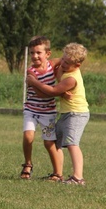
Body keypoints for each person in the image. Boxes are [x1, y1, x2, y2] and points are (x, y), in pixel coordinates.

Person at [27, 43, 89, 185]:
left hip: (77, 114)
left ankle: (78, 177)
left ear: (77, 65)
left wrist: (34, 82)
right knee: (55, 143)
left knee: (72, 143)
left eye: (67, 63)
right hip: (66, 114)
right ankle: (57, 174)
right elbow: (51, 63)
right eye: (63, 60)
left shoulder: (71, 78)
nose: (63, 64)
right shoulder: (64, 64)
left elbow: (53, 91)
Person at [20, 36, 63, 181]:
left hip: (48, 112)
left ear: (48, 54)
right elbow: (41, 94)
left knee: (49, 142)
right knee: (28, 136)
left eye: (38, 52)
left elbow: (66, 60)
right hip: (31, 109)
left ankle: (57, 173)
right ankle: (27, 164)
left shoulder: (53, 64)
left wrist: (66, 83)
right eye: (32, 53)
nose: (35, 56)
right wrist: (57, 91)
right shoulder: (31, 71)